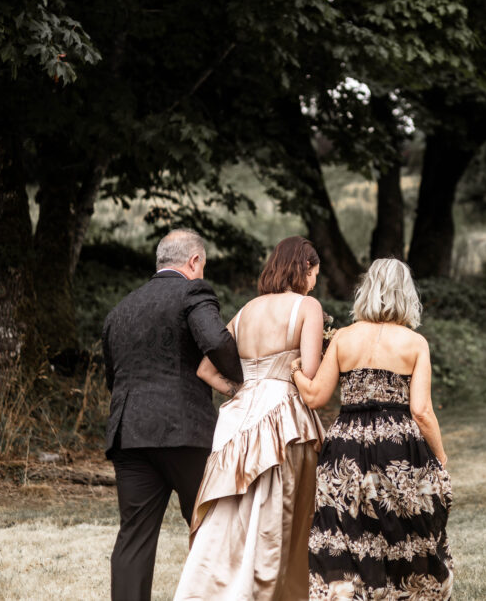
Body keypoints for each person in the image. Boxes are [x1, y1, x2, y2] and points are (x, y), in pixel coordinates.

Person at [292, 258, 454, 599]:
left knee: (346, 530)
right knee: (401, 529)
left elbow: (316, 396)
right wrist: (439, 456)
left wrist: (294, 371)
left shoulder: (343, 339)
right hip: (399, 447)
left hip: (346, 448)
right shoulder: (414, 343)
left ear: (366, 292)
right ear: (405, 295)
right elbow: (422, 411)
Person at [175, 236, 326, 600]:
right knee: (277, 515)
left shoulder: (246, 311)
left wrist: (241, 391)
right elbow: (311, 373)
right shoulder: (307, 307)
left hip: (237, 418)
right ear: (304, 267)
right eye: (316, 273)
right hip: (283, 418)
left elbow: (206, 371)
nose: (316, 281)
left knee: (231, 516)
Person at [103, 228, 244, 601]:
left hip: (129, 434)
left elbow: (112, 377)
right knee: (210, 527)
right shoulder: (193, 292)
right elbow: (215, 341)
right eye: (203, 265)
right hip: (184, 431)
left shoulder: (122, 308)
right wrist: (242, 382)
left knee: (134, 537)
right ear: (194, 261)